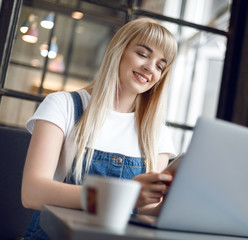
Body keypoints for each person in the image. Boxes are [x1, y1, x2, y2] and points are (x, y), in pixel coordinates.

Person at [21, 18, 178, 239]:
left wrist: (172, 199)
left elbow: (146, 211)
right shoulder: (63, 105)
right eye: (143, 54)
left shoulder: (157, 133)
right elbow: (32, 193)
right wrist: (123, 195)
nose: (150, 68)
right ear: (118, 51)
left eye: (160, 65)